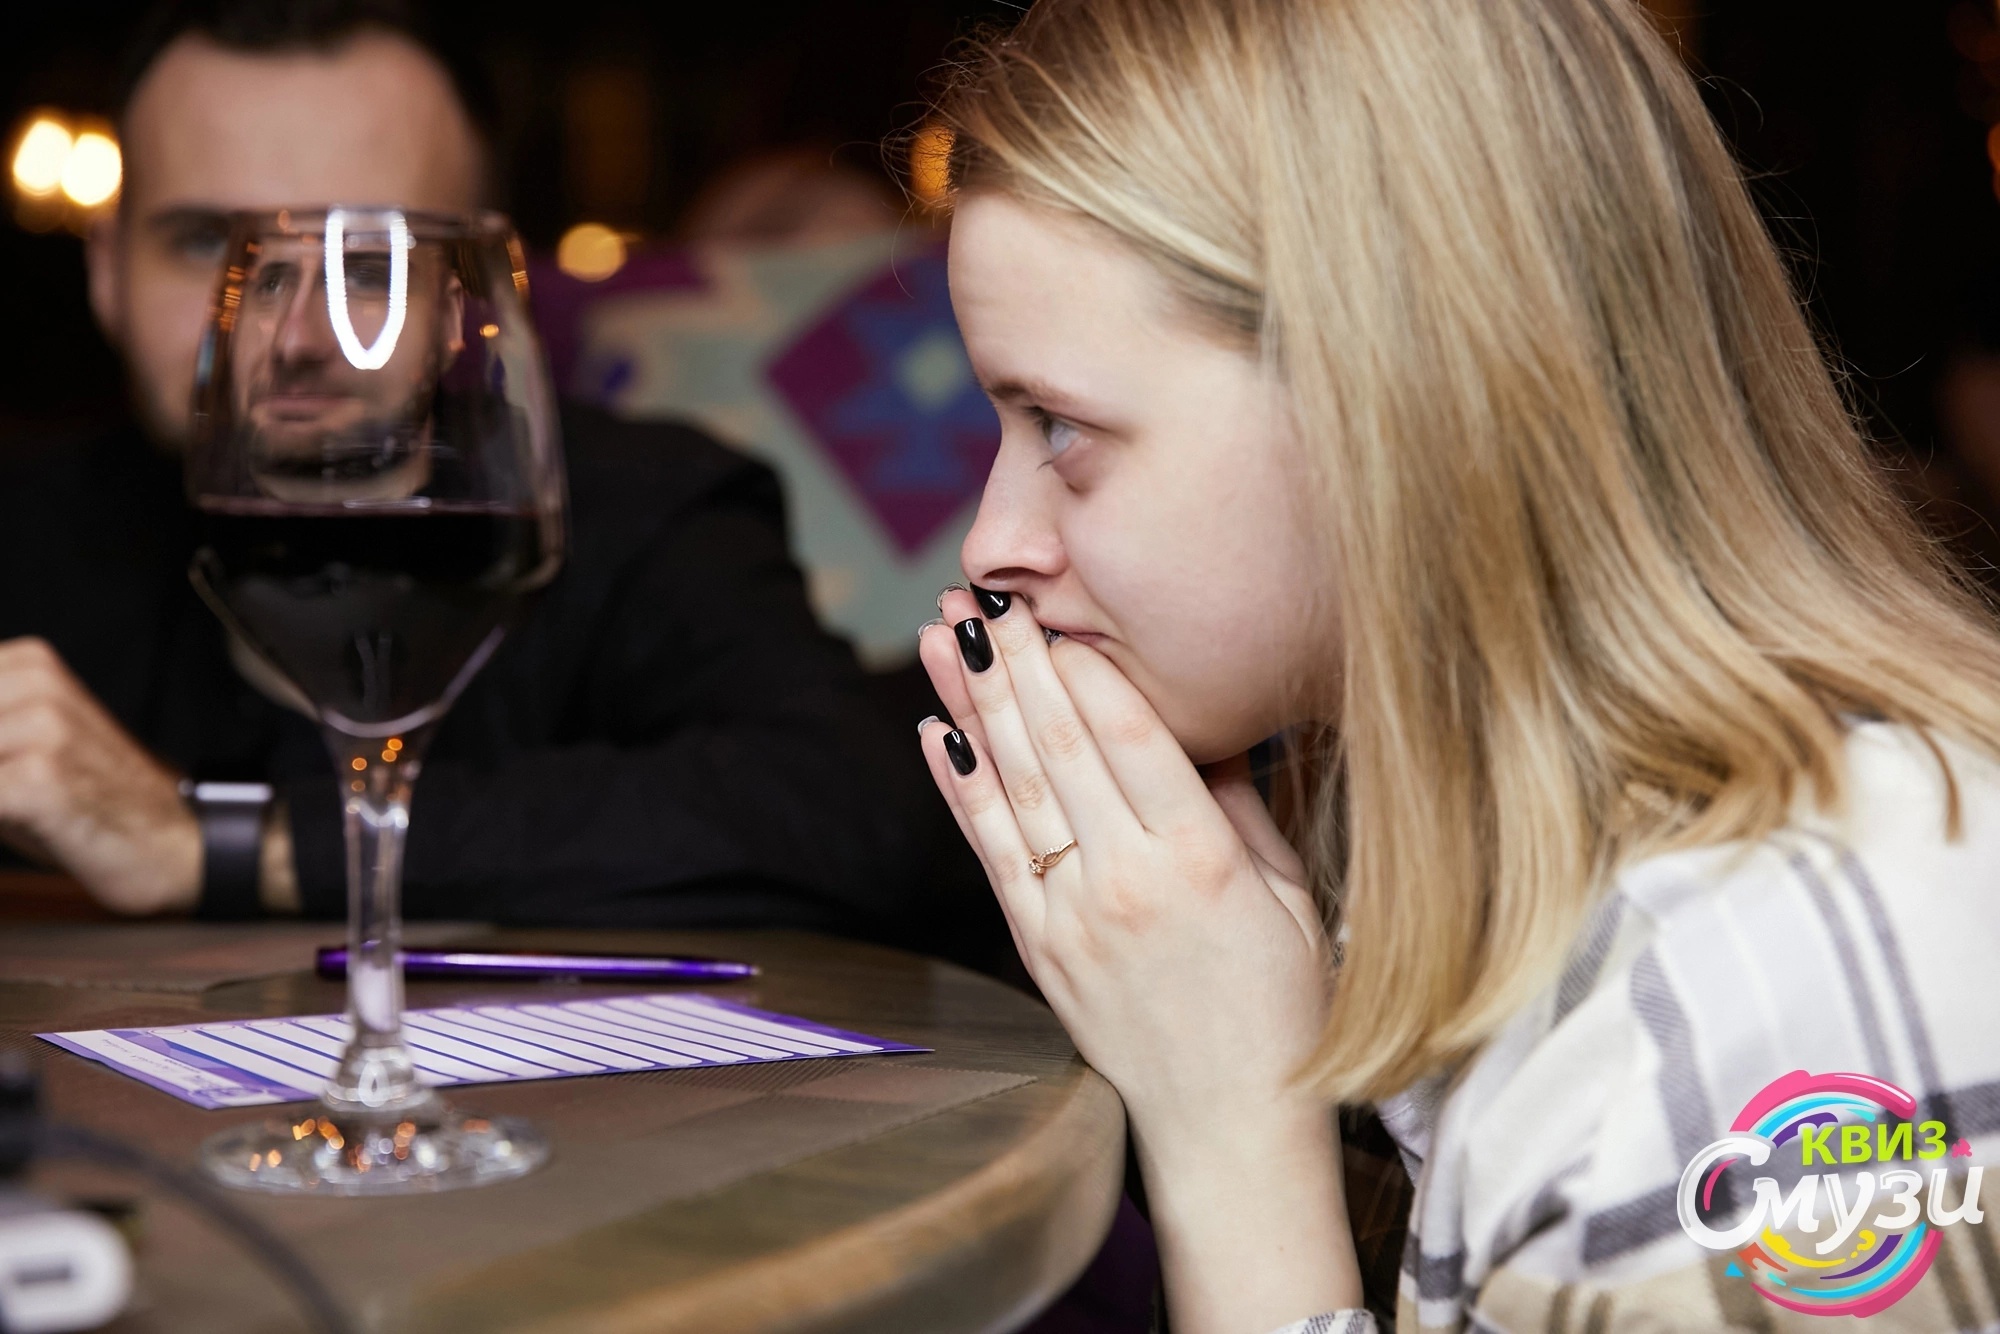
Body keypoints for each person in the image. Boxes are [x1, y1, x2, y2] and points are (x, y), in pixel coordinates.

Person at [912, 0, 2000, 1330]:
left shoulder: (1755, 975)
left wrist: (1236, 1137)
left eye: (1060, 425)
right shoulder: (1422, 832)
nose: (991, 541)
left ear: (1395, 396)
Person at [0, 0, 936, 935]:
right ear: (106, 270)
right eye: (212, 245)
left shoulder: (640, 512)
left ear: (469, 292)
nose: (291, 336)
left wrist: (211, 842)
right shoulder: (28, 534)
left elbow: (846, 806)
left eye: (369, 260)